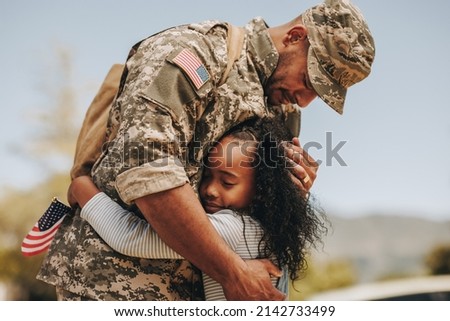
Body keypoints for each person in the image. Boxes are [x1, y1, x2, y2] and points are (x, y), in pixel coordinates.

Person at [37, 0, 375, 301]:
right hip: (118, 286)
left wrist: (293, 192)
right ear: (295, 36)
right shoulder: (196, 53)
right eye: (311, 79)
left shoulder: (284, 111)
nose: (305, 99)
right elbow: (149, 172)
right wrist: (232, 273)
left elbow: (259, 217)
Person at [68, 117, 328, 301]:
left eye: (227, 182)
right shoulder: (272, 230)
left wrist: (82, 188)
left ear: (261, 190)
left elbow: (129, 237)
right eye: (206, 176)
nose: (210, 190)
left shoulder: (235, 228)